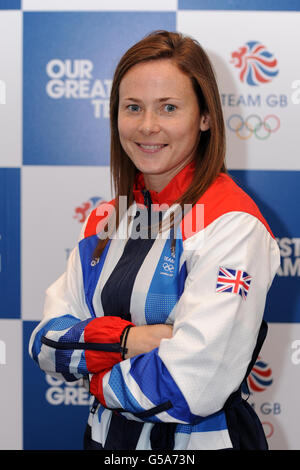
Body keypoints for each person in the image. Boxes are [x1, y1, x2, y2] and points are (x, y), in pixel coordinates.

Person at [29, 30, 280, 450]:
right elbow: (46, 344)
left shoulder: (233, 222)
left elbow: (189, 386)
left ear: (205, 117)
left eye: (168, 107)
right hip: (105, 443)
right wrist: (130, 340)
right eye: (133, 108)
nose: (147, 125)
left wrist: (96, 375)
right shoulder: (105, 218)